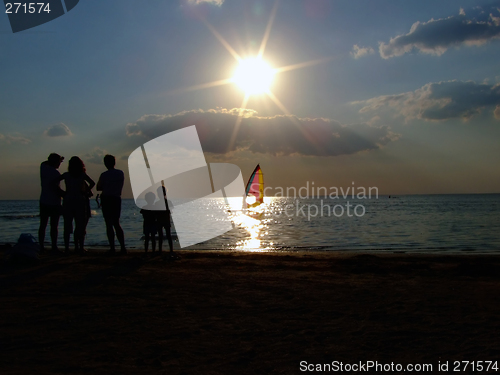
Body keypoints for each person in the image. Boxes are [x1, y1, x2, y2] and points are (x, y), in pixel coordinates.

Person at [60, 156, 95, 254]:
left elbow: (54, 182)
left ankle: (67, 248)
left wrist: (62, 192)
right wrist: (85, 192)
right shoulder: (82, 175)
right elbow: (92, 183)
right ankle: (79, 247)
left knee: (67, 225)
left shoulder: (66, 175)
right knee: (79, 225)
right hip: (80, 200)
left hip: (68, 201)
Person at [96, 155, 126, 255]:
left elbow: (98, 187)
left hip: (107, 199)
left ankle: (112, 247)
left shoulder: (104, 175)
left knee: (109, 224)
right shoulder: (120, 173)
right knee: (116, 223)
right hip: (116, 198)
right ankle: (122, 247)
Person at [38, 153, 65, 253]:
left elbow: (45, 162)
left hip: (43, 200)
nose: (60, 164)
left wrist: (58, 159)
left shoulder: (43, 167)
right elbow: (56, 188)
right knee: (54, 226)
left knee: (43, 225)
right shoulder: (55, 173)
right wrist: (66, 194)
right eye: (59, 162)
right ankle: (54, 246)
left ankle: (41, 246)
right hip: (54, 202)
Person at [154, 186, 178, 259]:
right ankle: (169, 250)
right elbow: (171, 211)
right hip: (164, 220)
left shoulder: (160, 202)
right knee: (167, 235)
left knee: (163, 235)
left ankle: (162, 250)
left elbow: (156, 212)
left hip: (162, 220)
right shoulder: (167, 202)